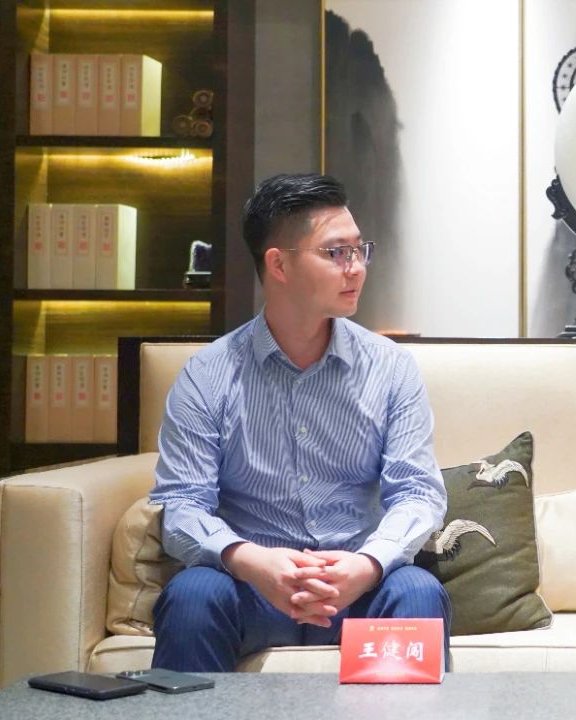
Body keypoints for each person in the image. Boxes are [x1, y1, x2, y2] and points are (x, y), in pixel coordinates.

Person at [149, 173, 450, 672]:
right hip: (252, 588)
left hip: (356, 588)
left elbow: (418, 492)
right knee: (192, 594)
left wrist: (368, 563)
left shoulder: (391, 368)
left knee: (417, 590)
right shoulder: (208, 375)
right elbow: (180, 506)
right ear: (279, 264)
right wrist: (250, 560)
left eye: (360, 250)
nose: (356, 268)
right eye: (336, 253)